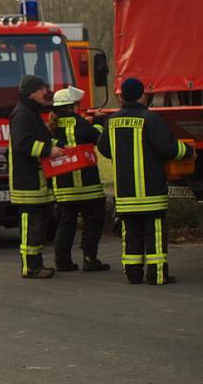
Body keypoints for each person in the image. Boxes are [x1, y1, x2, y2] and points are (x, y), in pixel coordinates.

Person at [97, 77, 194, 285]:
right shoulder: (150, 119)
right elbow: (168, 148)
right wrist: (189, 151)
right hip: (151, 192)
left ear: (121, 96)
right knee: (154, 233)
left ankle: (133, 274)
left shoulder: (112, 121)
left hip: (125, 193)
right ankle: (157, 275)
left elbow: (104, 149)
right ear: (143, 95)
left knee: (131, 233)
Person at [49, 87, 110, 272]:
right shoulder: (79, 122)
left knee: (66, 224)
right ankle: (90, 259)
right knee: (93, 221)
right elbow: (98, 137)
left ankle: (62, 261)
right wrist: (99, 121)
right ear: (73, 106)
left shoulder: (52, 125)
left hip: (63, 186)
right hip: (87, 185)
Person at [9, 75, 64, 278]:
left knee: (38, 225)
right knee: (31, 226)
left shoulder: (29, 112)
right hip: (28, 183)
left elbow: (40, 138)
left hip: (36, 182)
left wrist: (57, 145)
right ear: (32, 92)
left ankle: (36, 264)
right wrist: (48, 150)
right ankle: (31, 267)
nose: (45, 92)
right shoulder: (22, 115)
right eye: (42, 89)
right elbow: (23, 144)